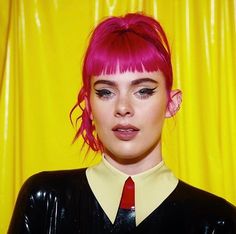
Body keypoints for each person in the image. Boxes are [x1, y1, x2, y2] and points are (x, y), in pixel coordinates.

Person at [8, 13, 236, 234]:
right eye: (106, 92)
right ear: (88, 104)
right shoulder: (44, 199)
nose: (123, 107)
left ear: (171, 103)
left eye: (143, 91)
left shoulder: (219, 221)